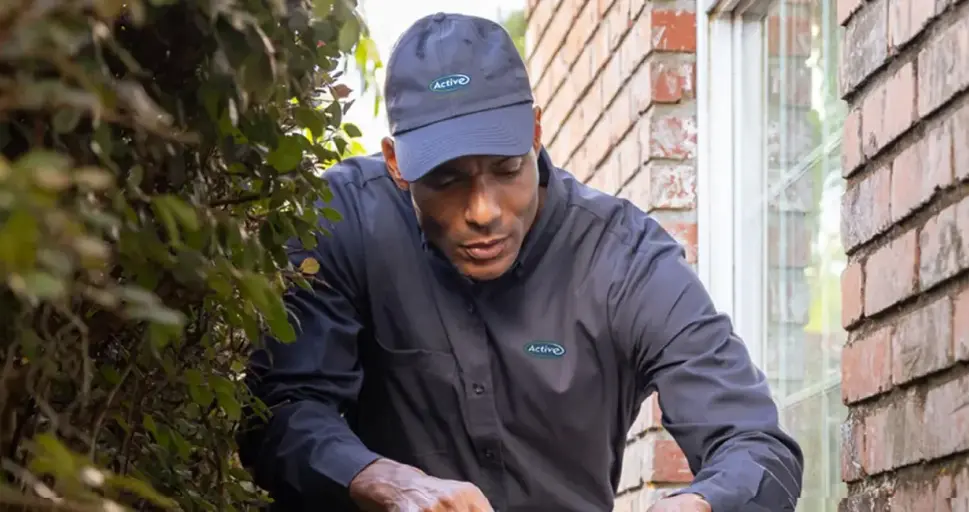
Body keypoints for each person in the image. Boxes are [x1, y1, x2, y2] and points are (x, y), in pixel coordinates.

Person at [237, 11, 804, 512]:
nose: (483, 211)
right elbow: (281, 413)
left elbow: (756, 447)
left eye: (506, 170)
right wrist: (388, 483)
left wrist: (699, 503)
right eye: (446, 180)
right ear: (395, 164)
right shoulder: (346, 222)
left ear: (535, 131)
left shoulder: (626, 258)